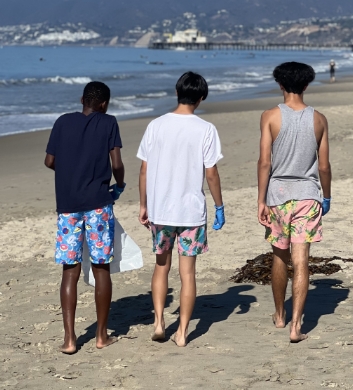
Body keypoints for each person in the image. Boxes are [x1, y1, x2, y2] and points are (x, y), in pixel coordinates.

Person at [137, 71, 225, 347]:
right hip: (190, 212)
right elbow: (211, 172)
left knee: (161, 266)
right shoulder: (206, 129)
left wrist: (143, 203)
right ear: (200, 98)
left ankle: (160, 321)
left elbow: (144, 169)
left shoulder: (156, 125)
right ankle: (183, 332)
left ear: (177, 93)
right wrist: (219, 205)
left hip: (160, 209)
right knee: (188, 274)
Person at [44, 81, 126, 354]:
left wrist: (71, 168)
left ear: (82, 99)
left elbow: (49, 161)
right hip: (98, 205)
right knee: (101, 267)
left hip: (68, 205)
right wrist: (120, 185)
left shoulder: (62, 122)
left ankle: (69, 339)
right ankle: (102, 336)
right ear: (104, 104)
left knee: (70, 269)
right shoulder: (108, 122)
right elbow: (116, 163)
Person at [257, 62, 332, 343]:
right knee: (302, 260)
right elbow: (324, 166)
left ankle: (279, 315)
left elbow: (265, 161)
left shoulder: (269, 116)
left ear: (280, 84)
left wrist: (260, 199)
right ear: (306, 85)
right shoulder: (319, 119)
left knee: (279, 255)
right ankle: (296, 326)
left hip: (277, 195)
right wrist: (326, 195)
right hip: (308, 195)